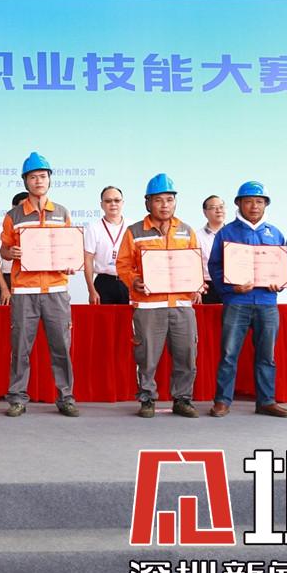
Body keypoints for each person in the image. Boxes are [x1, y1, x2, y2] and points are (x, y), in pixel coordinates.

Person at [116, 173, 203, 419]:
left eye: (169, 199)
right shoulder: (134, 231)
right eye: (158, 200)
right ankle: (147, 399)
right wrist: (134, 281)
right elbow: (123, 265)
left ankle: (182, 399)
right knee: (146, 356)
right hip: (148, 306)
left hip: (182, 305)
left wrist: (197, 285)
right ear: (148, 203)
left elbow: (194, 264)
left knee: (186, 354)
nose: (165, 205)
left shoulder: (186, 231)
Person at [0, 152, 78, 418]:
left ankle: (66, 397)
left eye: (42, 176)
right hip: (25, 291)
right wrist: (11, 253)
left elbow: (70, 249)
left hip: (56, 290)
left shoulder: (62, 213)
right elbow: (4, 249)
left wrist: (70, 263)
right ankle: (17, 398)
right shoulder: (14, 215)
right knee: (21, 348)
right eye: (33, 177)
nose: (38, 181)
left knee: (61, 347)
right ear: (26, 181)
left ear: (49, 179)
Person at [207, 181, 287, 419]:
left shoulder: (275, 233)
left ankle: (266, 401)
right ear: (239, 204)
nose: (254, 206)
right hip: (237, 302)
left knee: (267, 355)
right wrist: (230, 288)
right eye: (248, 201)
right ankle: (222, 401)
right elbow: (214, 266)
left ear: (265, 204)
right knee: (228, 353)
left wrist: (280, 282)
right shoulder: (227, 233)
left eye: (259, 201)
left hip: (267, 302)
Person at [83, 186, 130, 305]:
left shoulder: (132, 227)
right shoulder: (93, 228)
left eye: (117, 200)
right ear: (102, 205)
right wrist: (91, 290)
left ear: (122, 203)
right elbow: (88, 260)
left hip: (128, 281)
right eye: (108, 201)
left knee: (128, 317)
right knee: (102, 317)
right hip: (103, 283)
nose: (113, 204)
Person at [0, 192, 28, 305]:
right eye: (23, 206)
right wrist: (4, 288)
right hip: (10, 279)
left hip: (33, 280)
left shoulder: (38, 229)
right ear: (13, 208)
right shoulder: (3, 229)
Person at [197, 195, 226, 304]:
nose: (219, 210)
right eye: (213, 207)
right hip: (208, 287)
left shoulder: (234, 234)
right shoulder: (197, 236)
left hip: (232, 286)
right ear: (205, 212)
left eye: (221, 207)